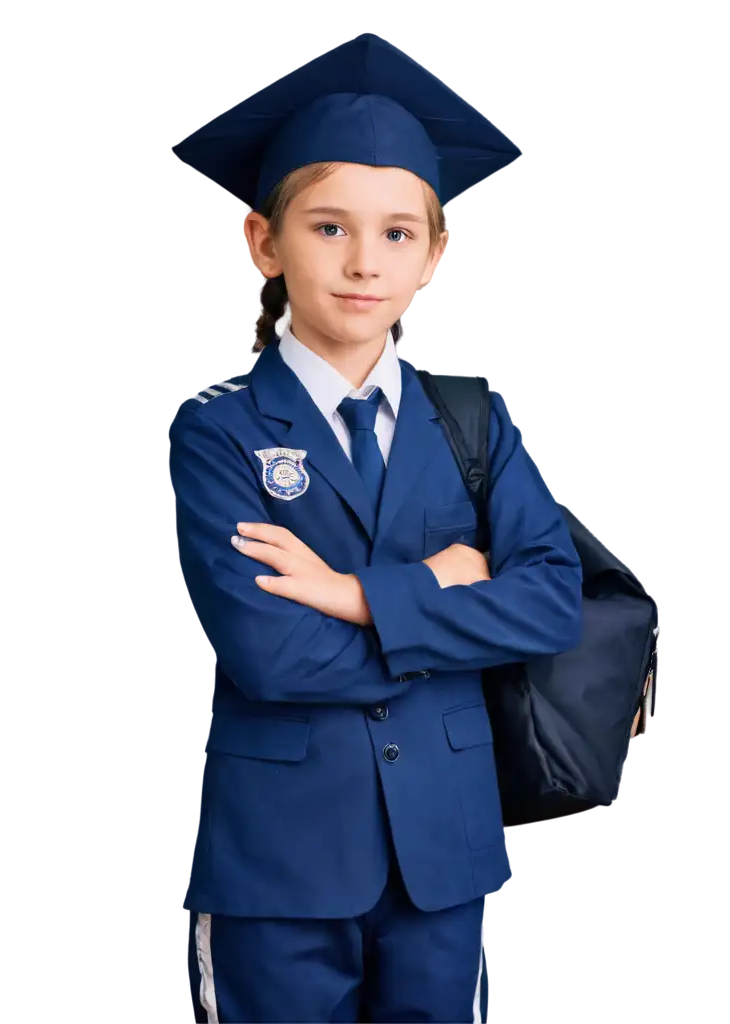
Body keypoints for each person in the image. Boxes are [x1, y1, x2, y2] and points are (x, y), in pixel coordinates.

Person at [165, 32, 583, 1023]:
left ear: (434, 256)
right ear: (261, 242)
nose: (364, 263)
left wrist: (355, 594)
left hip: (443, 852)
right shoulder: (218, 428)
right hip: (281, 862)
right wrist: (441, 591)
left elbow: (551, 601)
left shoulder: (472, 420)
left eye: (397, 233)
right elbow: (270, 653)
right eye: (328, 229)